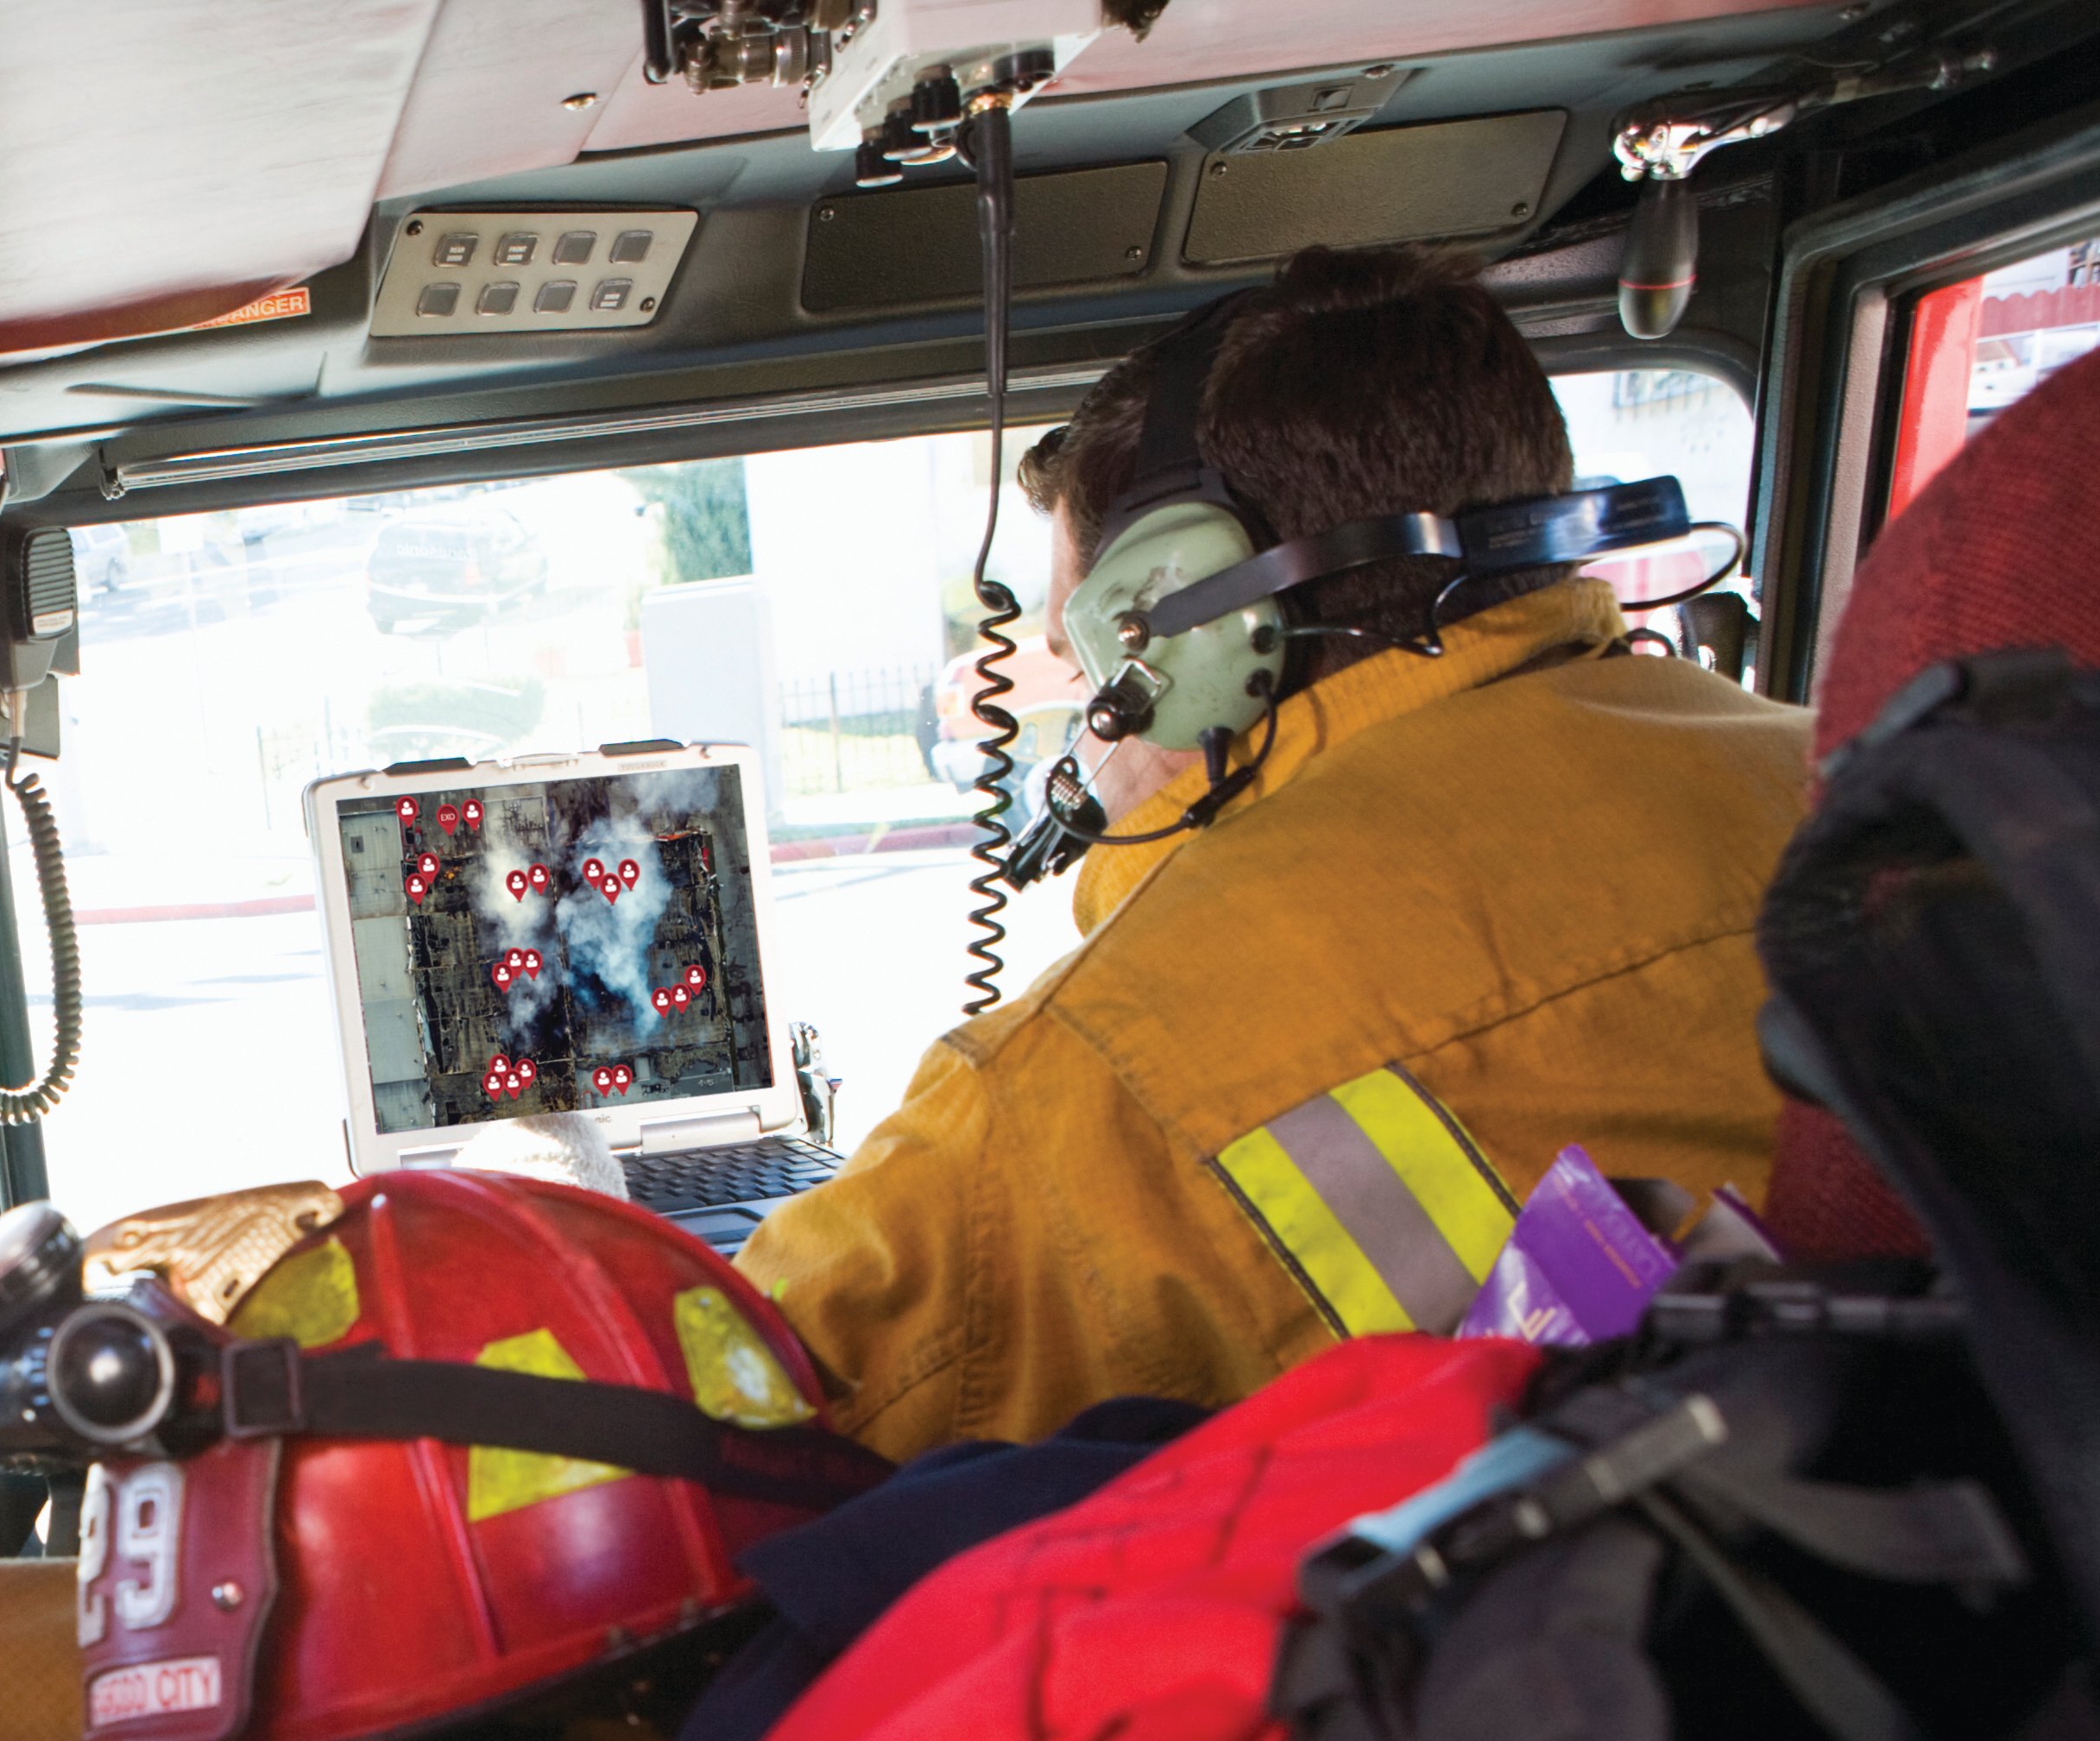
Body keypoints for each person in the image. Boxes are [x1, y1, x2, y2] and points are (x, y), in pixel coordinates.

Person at [735, 245, 1812, 1459]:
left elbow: (715, 1415)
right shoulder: (1845, 770)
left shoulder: (1084, 1089)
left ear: (1191, 635)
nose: (1094, 713)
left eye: (1097, 662)